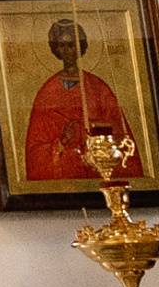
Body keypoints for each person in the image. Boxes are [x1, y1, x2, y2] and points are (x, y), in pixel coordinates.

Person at [23, 19, 130, 180]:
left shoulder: (97, 87)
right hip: (63, 174)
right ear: (55, 49)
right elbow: (34, 151)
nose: (67, 51)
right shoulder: (46, 92)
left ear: (80, 47)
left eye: (72, 44)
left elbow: (120, 132)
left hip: (96, 169)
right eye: (62, 45)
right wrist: (62, 140)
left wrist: (88, 127)